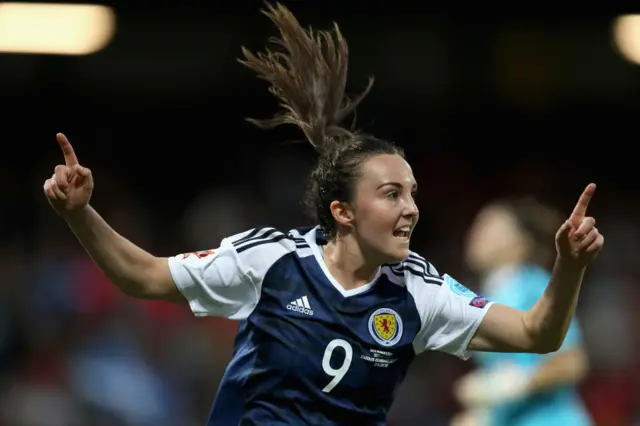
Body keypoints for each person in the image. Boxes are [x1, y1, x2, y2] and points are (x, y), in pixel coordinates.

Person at [42, 3, 604, 425]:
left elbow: (538, 333)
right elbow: (143, 275)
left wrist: (570, 264)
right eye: (391, 194)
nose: (410, 208)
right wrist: (80, 215)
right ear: (342, 211)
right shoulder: (271, 261)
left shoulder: (422, 293)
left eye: (412, 193)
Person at [450, 197, 593, 426]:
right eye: (477, 225)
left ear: (520, 242)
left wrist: (513, 385)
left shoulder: (535, 287)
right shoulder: (482, 299)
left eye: (490, 227)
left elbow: (572, 362)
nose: (476, 234)